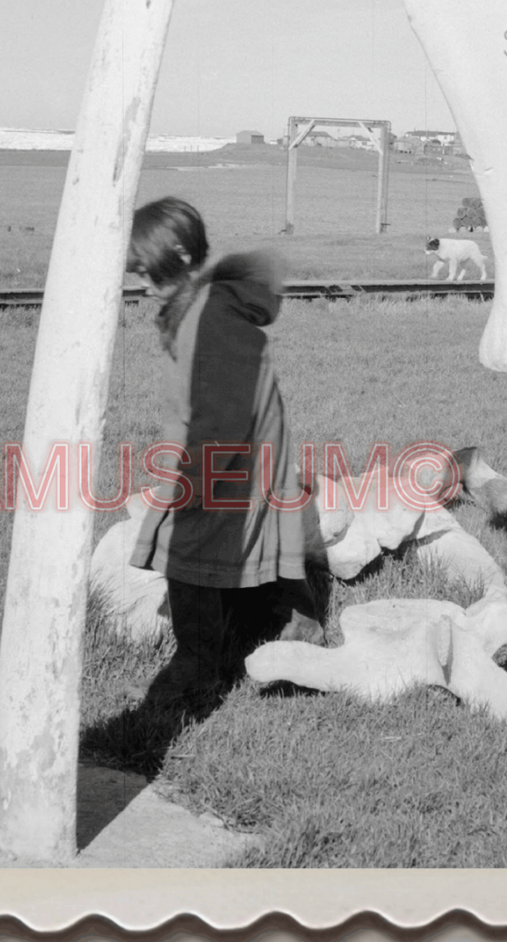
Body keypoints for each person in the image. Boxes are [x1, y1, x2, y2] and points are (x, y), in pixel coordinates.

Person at [126, 196, 324, 708]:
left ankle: (196, 669)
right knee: (258, 555)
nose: (141, 285)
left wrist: (189, 481)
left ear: (181, 257)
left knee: (187, 554)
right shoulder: (203, 306)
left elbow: (222, 416)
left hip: (228, 462)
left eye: (148, 272)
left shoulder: (209, 315)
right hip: (242, 461)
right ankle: (298, 633)